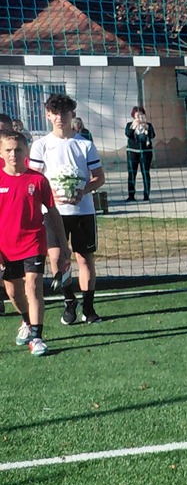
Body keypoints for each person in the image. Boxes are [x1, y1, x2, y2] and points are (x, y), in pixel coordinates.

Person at [29, 93, 104, 325]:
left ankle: (88, 308)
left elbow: (99, 178)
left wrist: (83, 191)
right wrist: (50, 195)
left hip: (83, 211)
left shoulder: (85, 144)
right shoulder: (40, 145)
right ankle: (69, 301)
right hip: (53, 213)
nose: (59, 117)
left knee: (84, 259)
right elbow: (34, 179)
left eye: (64, 112)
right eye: (55, 113)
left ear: (72, 114)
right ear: (48, 115)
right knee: (57, 257)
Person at [1, 131, 61, 356]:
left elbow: (52, 211)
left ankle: (37, 338)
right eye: (8, 150)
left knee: (33, 286)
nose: (13, 154)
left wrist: (63, 245)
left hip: (33, 242)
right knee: (13, 292)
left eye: (18, 149)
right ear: (1, 153)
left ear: (26, 151)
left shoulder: (38, 180)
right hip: (5, 247)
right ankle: (26, 321)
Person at [125, 107, 156, 202]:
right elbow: (128, 134)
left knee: (145, 173)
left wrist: (147, 128)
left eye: (142, 115)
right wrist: (134, 126)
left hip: (146, 153)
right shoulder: (130, 125)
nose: (140, 117)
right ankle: (131, 196)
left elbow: (153, 135)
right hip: (132, 152)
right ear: (134, 116)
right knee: (132, 173)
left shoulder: (148, 125)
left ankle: (146, 195)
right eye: (138, 115)